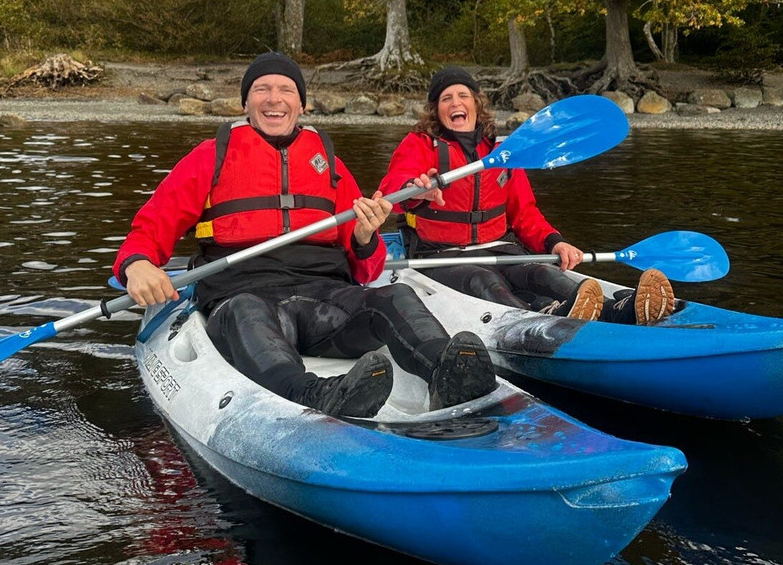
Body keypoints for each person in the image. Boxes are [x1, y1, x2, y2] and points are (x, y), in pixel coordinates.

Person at [114, 52, 496, 418]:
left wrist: (365, 237)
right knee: (245, 309)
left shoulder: (327, 161)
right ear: (246, 102)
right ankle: (312, 393)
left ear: (301, 105)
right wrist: (138, 265)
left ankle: (450, 373)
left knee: (395, 294)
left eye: (286, 90)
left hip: (323, 300)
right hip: (243, 298)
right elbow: (149, 228)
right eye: (262, 89)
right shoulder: (210, 156)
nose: (274, 99)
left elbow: (367, 270)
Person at [380, 66, 676, 325]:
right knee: (484, 280)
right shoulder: (420, 144)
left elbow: (525, 213)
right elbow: (390, 191)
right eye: (446, 98)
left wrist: (555, 241)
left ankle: (619, 309)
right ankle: (544, 319)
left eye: (463, 96)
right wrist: (417, 189)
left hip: (500, 247)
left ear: (476, 103)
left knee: (539, 272)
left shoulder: (503, 152)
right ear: (436, 110)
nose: (455, 103)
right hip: (441, 255)